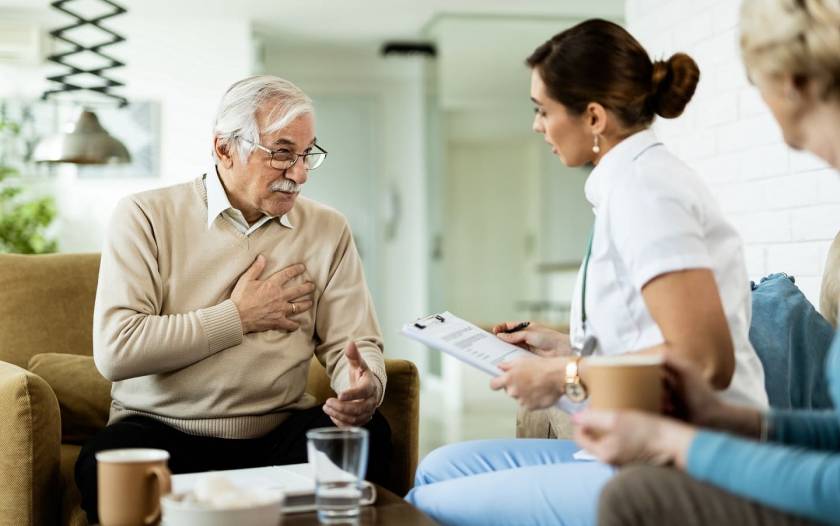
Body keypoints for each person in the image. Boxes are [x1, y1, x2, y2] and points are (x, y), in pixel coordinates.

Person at [406, 19, 767, 526]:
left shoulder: (645, 192)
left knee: (426, 505)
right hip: (646, 443)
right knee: (436, 468)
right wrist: (566, 349)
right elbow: (651, 337)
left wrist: (562, 375)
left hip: (692, 463)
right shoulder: (626, 186)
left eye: (543, 110)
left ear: (593, 116)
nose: (536, 125)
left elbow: (705, 360)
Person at [75, 75, 391, 523]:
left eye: (307, 155)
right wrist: (238, 316)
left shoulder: (328, 228)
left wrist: (364, 385)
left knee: (370, 433)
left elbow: (353, 345)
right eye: (282, 153)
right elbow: (116, 351)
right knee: (102, 466)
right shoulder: (144, 215)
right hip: (164, 432)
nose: (299, 174)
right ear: (225, 148)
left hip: (278, 432)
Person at [576, 2, 840, 525]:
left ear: (793, 84)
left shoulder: (645, 186)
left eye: (756, 86)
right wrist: (730, 420)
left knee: (631, 498)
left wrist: (679, 442)